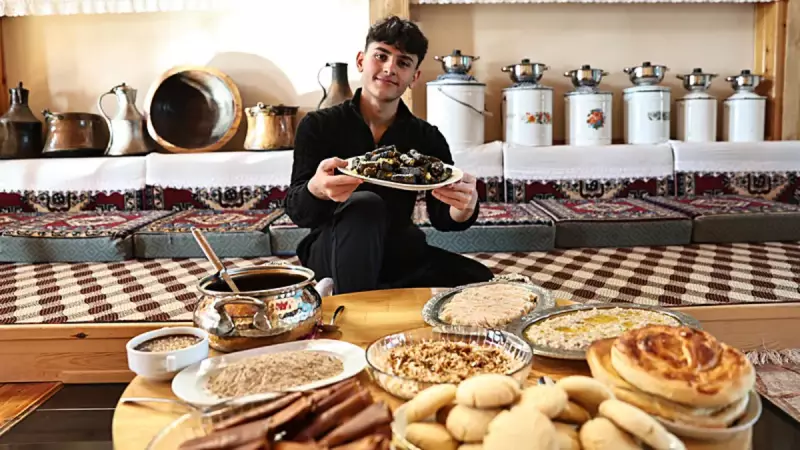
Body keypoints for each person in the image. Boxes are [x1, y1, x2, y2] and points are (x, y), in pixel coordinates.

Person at [284, 15, 494, 295]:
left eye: (403, 62)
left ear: (414, 77)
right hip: (331, 247)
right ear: (361, 60)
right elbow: (298, 211)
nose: (389, 68)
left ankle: (371, 290)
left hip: (398, 252)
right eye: (381, 56)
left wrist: (464, 206)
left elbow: (443, 218)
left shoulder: (427, 137)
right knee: (366, 204)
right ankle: (354, 303)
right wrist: (316, 189)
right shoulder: (318, 125)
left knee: (482, 281)